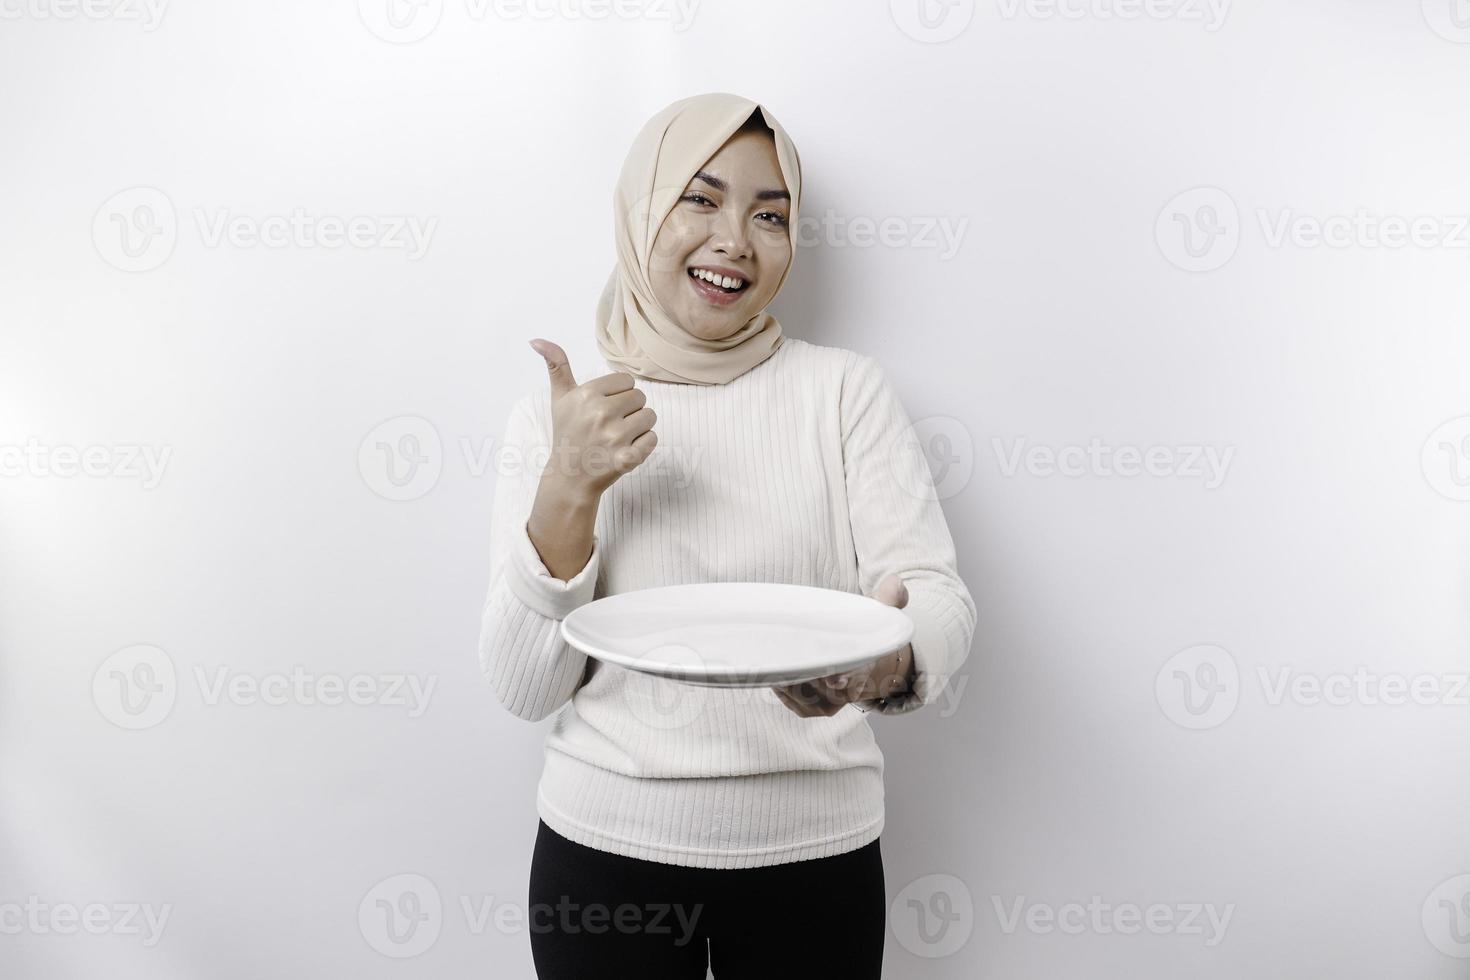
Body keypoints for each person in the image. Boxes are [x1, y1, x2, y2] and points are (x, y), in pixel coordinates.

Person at [478, 91, 976, 979]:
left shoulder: (844, 393)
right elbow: (523, 688)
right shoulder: (569, 417)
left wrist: (885, 663)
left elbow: (936, 599)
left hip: (815, 858)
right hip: (606, 858)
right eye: (700, 199)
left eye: (769, 214)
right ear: (641, 211)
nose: (735, 241)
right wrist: (570, 485)